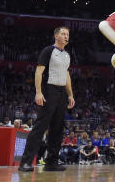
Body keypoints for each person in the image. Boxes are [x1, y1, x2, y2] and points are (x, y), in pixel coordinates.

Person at [18, 27, 75, 172]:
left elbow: (66, 75)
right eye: (63, 34)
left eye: (67, 34)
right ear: (56, 36)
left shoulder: (67, 55)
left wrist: (70, 95)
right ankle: (25, 162)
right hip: (49, 90)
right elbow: (39, 71)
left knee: (57, 129)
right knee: (40, 127)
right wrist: (38, 92)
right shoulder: (48, 51)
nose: (66, 36)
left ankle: (51, 162)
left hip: (62, 93)